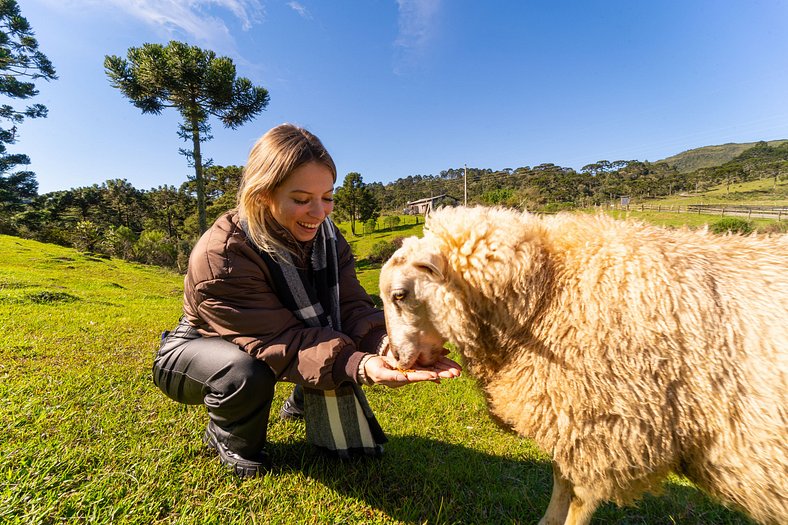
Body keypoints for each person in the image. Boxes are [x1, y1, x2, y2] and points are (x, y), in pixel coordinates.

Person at [153, 123, 461, 478]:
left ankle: (301, 402)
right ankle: (229, 440)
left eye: (327, 197)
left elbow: (349, 306)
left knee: (323, 335)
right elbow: (276, 340)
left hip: (280, 336)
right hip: (200, 348)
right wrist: (358, 365)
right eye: (301, 200)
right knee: (244, 371)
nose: (320, 212)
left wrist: (383, 346)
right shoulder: (222, 254)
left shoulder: (329, 239)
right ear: (262, 196)